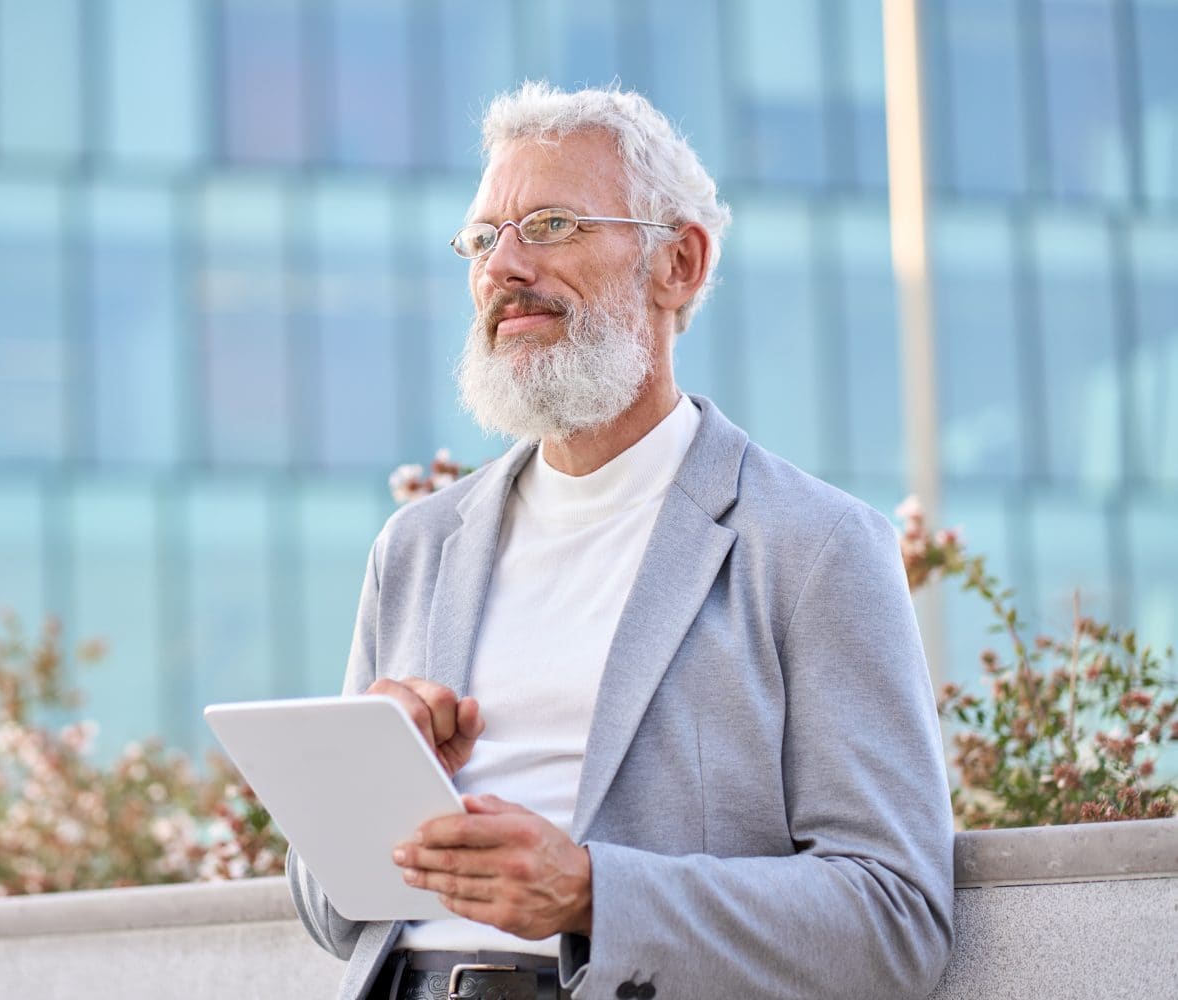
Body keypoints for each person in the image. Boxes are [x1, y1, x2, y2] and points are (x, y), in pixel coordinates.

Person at [288, 82, 954, 1000]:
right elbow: (332, 917)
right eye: (483, 239)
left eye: (552, 224)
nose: (503, 267)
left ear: (678, 263)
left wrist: (594, 892)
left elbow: (896, 921)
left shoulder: (814, 548)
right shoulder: (415, 547)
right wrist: (366, 783)